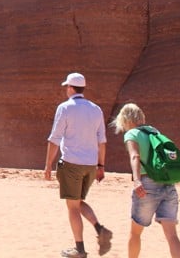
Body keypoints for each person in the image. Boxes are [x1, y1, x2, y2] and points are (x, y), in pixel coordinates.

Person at [44, 72, 113, 258]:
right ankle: (100, 229)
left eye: (67, 86)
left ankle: (79, 250)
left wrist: (48, 165)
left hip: (71, 164)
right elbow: (102, 142)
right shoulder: (96, 109)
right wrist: (101, 166)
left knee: (72, 206)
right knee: (78, 202)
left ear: (70, 88)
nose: (66, 89)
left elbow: (55, 139)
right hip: (90, 165)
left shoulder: (65, 108)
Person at [110, 103, 180, 258]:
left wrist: (137, 180)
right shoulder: (154, 131)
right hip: (168, 183)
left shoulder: (131, 134)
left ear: (126, 119)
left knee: (135, 233)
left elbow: (135, 156)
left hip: (147, 186)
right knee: (172, 236)